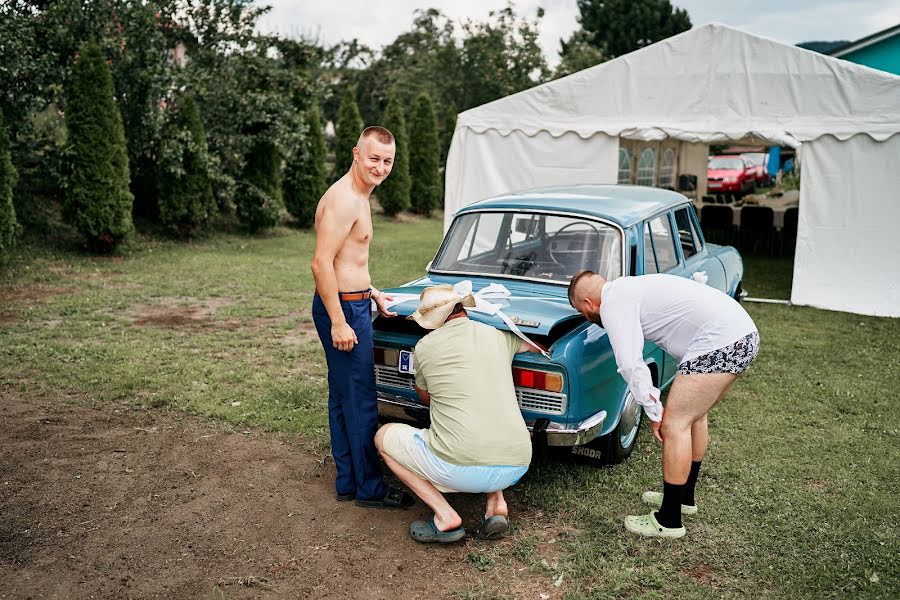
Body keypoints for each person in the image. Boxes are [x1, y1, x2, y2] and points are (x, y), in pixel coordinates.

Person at [568, 271, 759, 539]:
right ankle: (684, 498)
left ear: (588, 304)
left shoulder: (613, 303)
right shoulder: (630, 286)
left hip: (720, 341)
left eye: (581, 312)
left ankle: (669, 520)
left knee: (675, 425)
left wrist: (654, 411)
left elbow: (630, 364)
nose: (586, 318)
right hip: (742, 334)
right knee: (694, 416)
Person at [374, 284, 543, 543]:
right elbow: (535, 347)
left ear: (432, 320)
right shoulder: (497, 335)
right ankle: (496, 503)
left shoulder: (424, 347)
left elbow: (426, 398)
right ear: (462, 307)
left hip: (458, 466)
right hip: (518, 462)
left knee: (383, 437)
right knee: (485, 416)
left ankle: (445, 516)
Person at [311, 126, 414, 510]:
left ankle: (348, 482)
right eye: (374, 158)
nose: (381, 167)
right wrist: (340, 321)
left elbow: (341, 259)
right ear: (356, 153)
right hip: (343, 310)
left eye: (387, 161)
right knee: (361, 400)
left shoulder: (357, 195)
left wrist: (369, 291)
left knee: (342, 397)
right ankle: (369, 489)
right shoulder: (345, 200)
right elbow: (320, 263)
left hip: (352, 301)